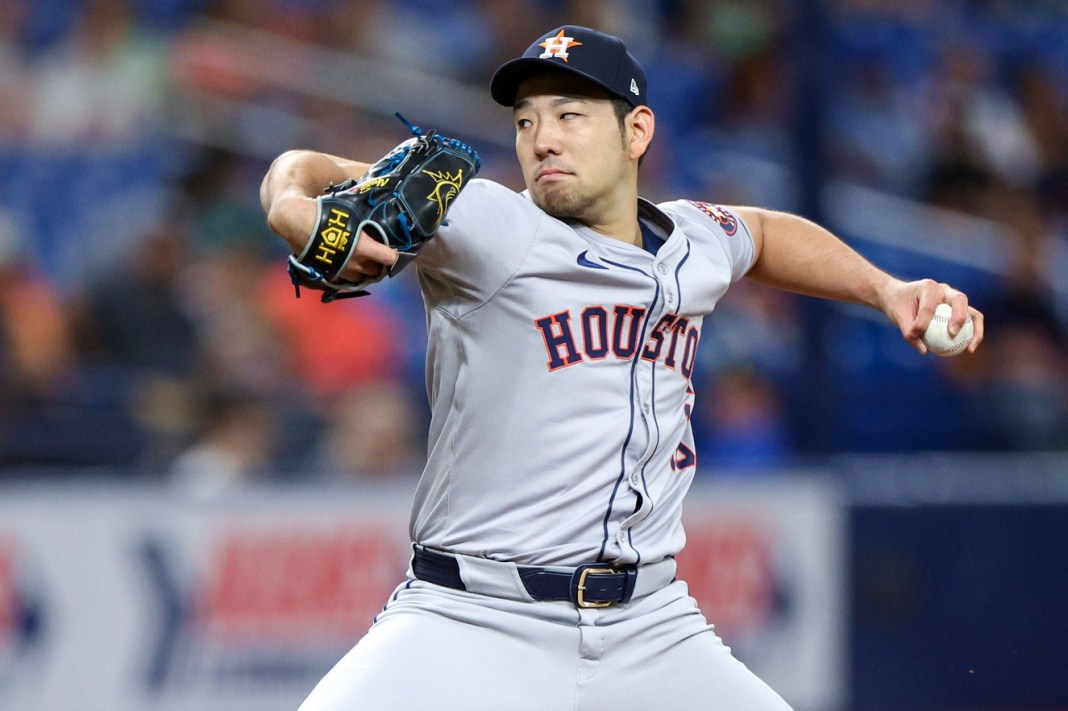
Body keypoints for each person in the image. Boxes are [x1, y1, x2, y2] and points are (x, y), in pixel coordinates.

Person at [260, 25, 984, 711]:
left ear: (636, 131)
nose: (542, 139)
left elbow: (761, 235)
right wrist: (294, 203)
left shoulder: (694, 238)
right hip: (473, 615)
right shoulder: (490, 224)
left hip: (651, 623)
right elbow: (305, 168)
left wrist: (888, 290)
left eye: (570, 115)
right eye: (525, 122)